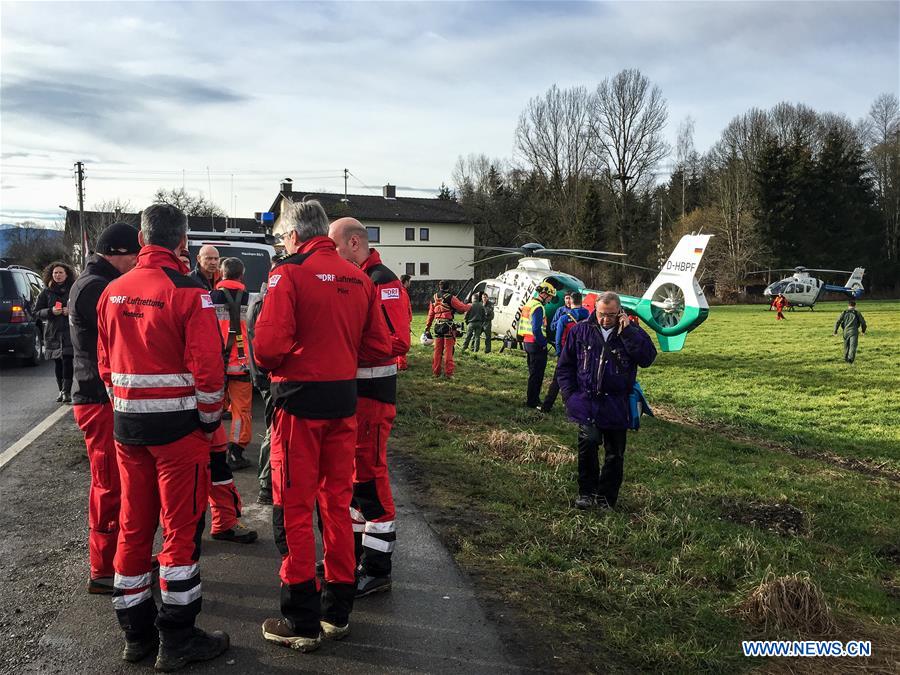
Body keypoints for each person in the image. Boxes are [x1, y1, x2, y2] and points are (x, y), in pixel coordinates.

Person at [253, 200, 392, 652]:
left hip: (298, 406)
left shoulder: (288, 273)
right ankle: (337, 612)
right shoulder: (360, 277)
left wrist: (305, 354)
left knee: (293, 507)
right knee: (337, 505)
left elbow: (267, 349)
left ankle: (302, 621)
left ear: (293, 236)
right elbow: (378, 347)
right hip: (343, 405)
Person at [96, 204, 229, 669]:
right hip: (179, 434)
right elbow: (209, 372)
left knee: (134, 528)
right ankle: (177, 638)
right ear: (182, 241)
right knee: (181, 534)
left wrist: (126, 405)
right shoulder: (190, 292)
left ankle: (135, 636)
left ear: (141, 238)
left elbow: (105, 365)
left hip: (128, 430)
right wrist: (210, 421)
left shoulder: (112, 291)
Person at [329, 217, 412, 598]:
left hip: (374, 395)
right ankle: (358, 556)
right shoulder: (358, 280)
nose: (332, 257)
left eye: (336, 248)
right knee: (354, 477)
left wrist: (347, 346)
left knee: (371, 476)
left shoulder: (382, 281)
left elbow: (397, 341)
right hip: (355, 394)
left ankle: (378, 569)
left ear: (356, 243)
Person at [69, 222, 141, 594]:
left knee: (116, 482)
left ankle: (117, 562)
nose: (137, 263)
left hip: (100, 396)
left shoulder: (94, 283)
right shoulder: (97, 288)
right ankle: (103, 568)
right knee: (109, 483)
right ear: (115, 252)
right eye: (134, 255)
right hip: (99, 398)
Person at [556, 292, 657, 510]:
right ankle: (586, 493)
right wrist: (569, 395)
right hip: (586, 400)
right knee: (588, 447)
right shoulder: (580, 330)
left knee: (614, 454)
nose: (604, 320)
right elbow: (565, 366)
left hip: (617, 404)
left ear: (620, 312)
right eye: (601, 314)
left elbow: (648, 358)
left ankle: (606, 498)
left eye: (610, 315)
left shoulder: (632, 332)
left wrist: (628, 333)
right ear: (595, 310)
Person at [210, 258, 253, 471]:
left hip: (215, 362)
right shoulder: (251, 300)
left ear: (221, 274)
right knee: (240, 410)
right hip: (241, 364)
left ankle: (212, 446)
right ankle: (235, 451)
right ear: (242, 274)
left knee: (212, 406)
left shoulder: (210, 298)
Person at [246, 261, 275, 505]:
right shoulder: (265, 303)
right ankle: (266, 485)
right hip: (267, 377)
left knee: (272, 428)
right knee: (273, 430)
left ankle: (267, 483)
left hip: (261, 374)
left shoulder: (259, 299)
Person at [34, 261, 76, 403]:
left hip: (69, 331)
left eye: (60, 272)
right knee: (58, 363)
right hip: (53, 332)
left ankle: (67, 391)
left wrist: (70, 311)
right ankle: (60, 390)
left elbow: (82, 307)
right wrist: (50, 311)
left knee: (68, 361)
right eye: (55, 273)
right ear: (51, 275)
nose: (58, 275)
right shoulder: (46, 292)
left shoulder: (73, 289)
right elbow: (37, 312)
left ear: (67, 274)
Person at [541, 291, 589, 413]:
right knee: (579, 381)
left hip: (566, 354)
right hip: (583, 355)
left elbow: (558, 339)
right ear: (581, 301)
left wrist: (559, 353)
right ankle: (578, 408)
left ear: (571, 301)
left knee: (557, 381)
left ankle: (547, 406)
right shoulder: (588, 316)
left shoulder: (564, 318)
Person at [518, 281, 556, 408]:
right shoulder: (538, 307)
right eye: (550, 296)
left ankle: (532, 399)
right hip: (536, 344)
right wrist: (543, 343)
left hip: (527, 343)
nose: (550, 299)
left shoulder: (529, 303)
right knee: (537, 375)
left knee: (533, 373)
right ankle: (532, 402)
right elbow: (536, 329)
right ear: (544, 294)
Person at [423, 280, 471, 378]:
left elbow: (431, 314)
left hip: (437, 326)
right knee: (448, 351)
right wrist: (470, 305)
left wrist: (427, 327)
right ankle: (449, 373)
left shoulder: (434, 298)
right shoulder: (450, 297)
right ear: (448, 287)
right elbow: (462, 308)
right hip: (448, 326)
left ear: (439, 287)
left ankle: (436, 372)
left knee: (437, 351)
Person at [833, 299, 867, 364]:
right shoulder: (857, 313)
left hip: (845, 331)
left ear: (848, 305)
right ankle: (850, 360)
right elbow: (863, 323)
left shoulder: (844, 312)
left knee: (846, 346)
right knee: (853, 346)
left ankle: (845, 358)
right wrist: (863, 331)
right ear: (855, 306)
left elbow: (838, 322)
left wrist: (835, 331)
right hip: (854, 331)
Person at [397, 274, 413, 371]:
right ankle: (401, 364)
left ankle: (398, 362)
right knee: (403, 343)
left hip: (401, 321)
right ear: (406, 281)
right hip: (403, 323)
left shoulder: (400, 291)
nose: (410, 283)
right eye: (409, 281)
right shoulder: (402, 292)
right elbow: (404, 309)